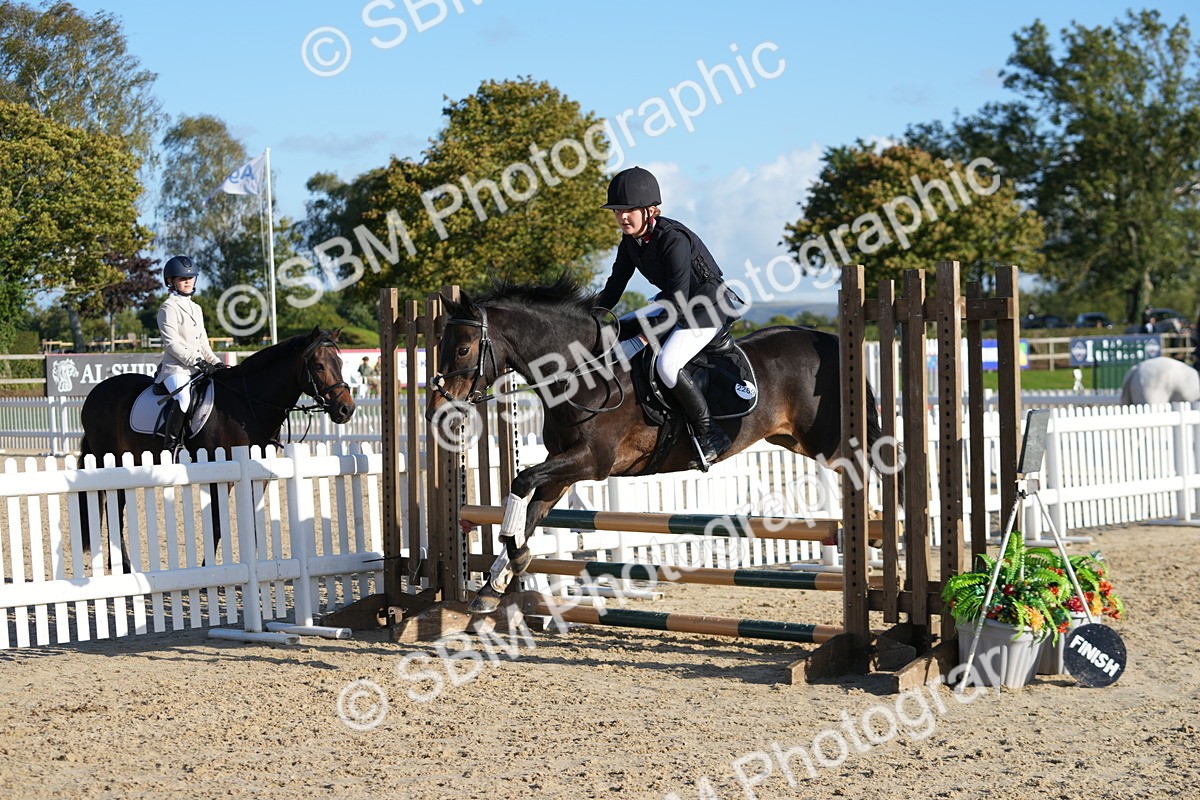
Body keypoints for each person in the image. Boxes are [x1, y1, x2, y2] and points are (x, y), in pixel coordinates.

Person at [596, 166, 742, 469]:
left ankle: (710, 432)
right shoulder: (630, 243)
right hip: (676, 301)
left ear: (651, 210)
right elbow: (613, 289)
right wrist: (588, 317)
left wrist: (642, 340)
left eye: (630, 210)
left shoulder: (672, 239)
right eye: (618, 211)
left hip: (706, 307)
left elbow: (678, 301)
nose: (622, 217)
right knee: (617, 329)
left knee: (667, 364)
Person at [153, 255, 225, 455]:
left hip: (198, 367)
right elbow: (172, 343)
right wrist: (198, 362)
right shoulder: (168, 307)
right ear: (171, 282)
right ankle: (172, 447)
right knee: (183, 399)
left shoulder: (196, 308)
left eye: (191, 277)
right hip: (176, 369)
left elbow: (203, 343)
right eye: (182, 278)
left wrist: (216, 363)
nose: (188, 281)